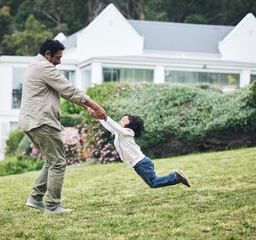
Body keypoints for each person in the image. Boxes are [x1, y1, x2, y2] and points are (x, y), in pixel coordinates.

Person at [19, 38, 107, 214]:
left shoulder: (35, 65)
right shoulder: (44, 67)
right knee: (58, 162)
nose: (59, 62)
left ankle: (36, 198)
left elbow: (62, 92)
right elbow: (69, 89)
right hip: (42, 121)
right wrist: (97, 107)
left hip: (32, 121)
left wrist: (87, 107)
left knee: (52, 160)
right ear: (48, 54)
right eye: (58, 58)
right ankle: (52, 206)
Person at [99, 114, 191, 189]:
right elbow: (110, 126)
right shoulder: (119, 133)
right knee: (153, 183)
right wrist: (100, 117)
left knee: (153, 183)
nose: (119, 121)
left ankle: (176, 177)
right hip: (139, 164)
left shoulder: (128, 132)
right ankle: (176, 177)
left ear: (129, 126)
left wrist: (106, 117)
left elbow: (114, 125)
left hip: (141, 163)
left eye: (123, 121)